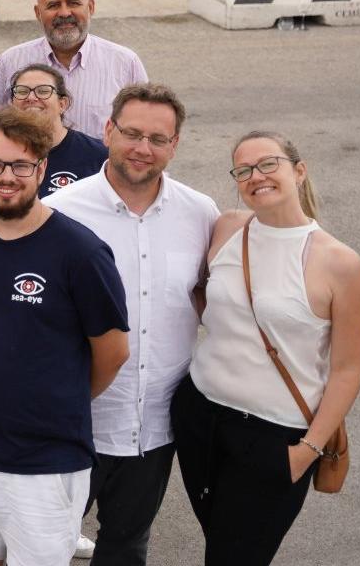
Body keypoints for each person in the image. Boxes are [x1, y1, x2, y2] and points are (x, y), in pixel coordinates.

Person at [0, 108, 130, 566]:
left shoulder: (81, 252)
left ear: (41, 168)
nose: (7, 177)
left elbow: (113, 351)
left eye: (21, 164)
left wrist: (59, 395)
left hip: (45, 459)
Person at [173, 132, 360, 566]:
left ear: (299, 171)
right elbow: (206, 296)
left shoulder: (340, 263)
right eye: (243, 170)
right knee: (219, 544)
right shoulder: (228, 227)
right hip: (199, 413)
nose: (255, 176)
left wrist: (307, 451)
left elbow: (348, 369)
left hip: (274, 435)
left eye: (268, 164)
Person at [50, 84, 219, 566]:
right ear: (108, 130)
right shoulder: (62, 212)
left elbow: (211, 297)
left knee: (126, 547)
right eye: (132, 133)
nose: (143, 148)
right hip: (73, 421)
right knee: (44, 545)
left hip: (155, 427)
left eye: (158, 138)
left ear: (174, 144)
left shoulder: (201, 213)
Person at [0, 0, 148, 136]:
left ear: (91, 7)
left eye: (73, 3)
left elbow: (145, 128)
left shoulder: (125, 63)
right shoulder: (10, 62)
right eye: (53, 5)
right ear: (38, 13)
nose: (64, 13)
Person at [7, 62, 109, 195]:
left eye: (43, 91)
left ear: (62, 104)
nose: (31, 97)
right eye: (22, 91)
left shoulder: (98, 155)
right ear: (12, 103)